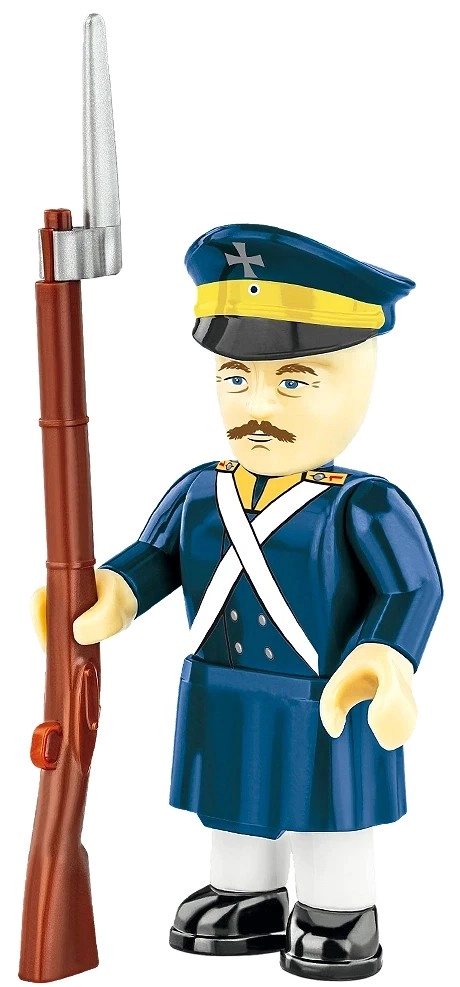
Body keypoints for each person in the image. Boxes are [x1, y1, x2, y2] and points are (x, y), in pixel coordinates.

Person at [33, 224, 443, 980]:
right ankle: (246, 893)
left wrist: (386, 655)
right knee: (233, 796)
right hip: (222, 682)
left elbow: (412, 586)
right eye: (235, 377)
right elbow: (155, 557)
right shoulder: (202, 489)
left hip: (325, 688)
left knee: (327, 808)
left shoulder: (364, 504)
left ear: (357, 379)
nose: (257, 405)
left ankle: (336, 909)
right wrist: (110, 592)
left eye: (293, 382)